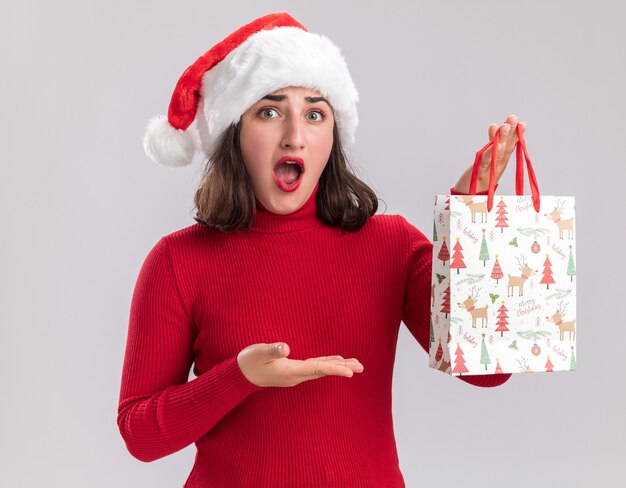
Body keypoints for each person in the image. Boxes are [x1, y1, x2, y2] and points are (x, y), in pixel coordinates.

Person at [117, 12, 525, 488]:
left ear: (333, 136)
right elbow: (140, 435)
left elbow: (490, 373)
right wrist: (241, 376)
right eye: (269, 111)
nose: (294, 135)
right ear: (234, 134)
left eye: (315, 113)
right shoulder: (177, 263)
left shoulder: (389, 244)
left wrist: (470, 222)